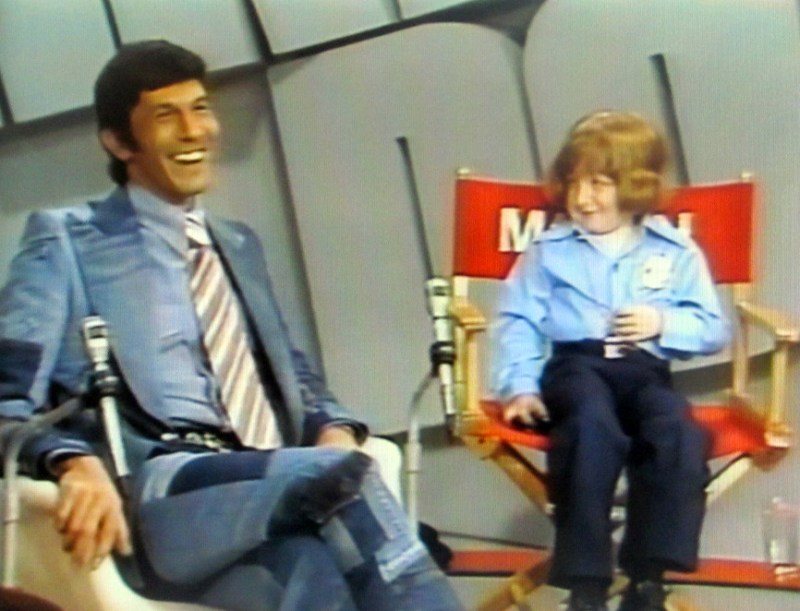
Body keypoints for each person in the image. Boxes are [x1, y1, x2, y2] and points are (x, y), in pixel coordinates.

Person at [0, 40, 463, 611]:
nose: (194, 130)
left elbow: (296, 379)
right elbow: (7, 404)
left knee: (314, 568)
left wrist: (333, 428)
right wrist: (71, 461)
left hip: (273, 487)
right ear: (119, 142)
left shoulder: (238, 244)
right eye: (166, 116)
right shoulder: (67, 240)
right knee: (341, 477)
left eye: (200, 108)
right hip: (166, 487)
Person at [491, 111, 730, 611]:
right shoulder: (549, 251)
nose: (583, 198)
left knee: (679, 434)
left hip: (644, 372)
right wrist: (521, 386)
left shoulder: (675, 249)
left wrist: (662, 322)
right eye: (574, 183)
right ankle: (587, 583)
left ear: (636, 185)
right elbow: (518, 320)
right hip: (576, 368)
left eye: (599, 184)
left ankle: (647, 576)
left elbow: (712, 329)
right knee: (590, 428)